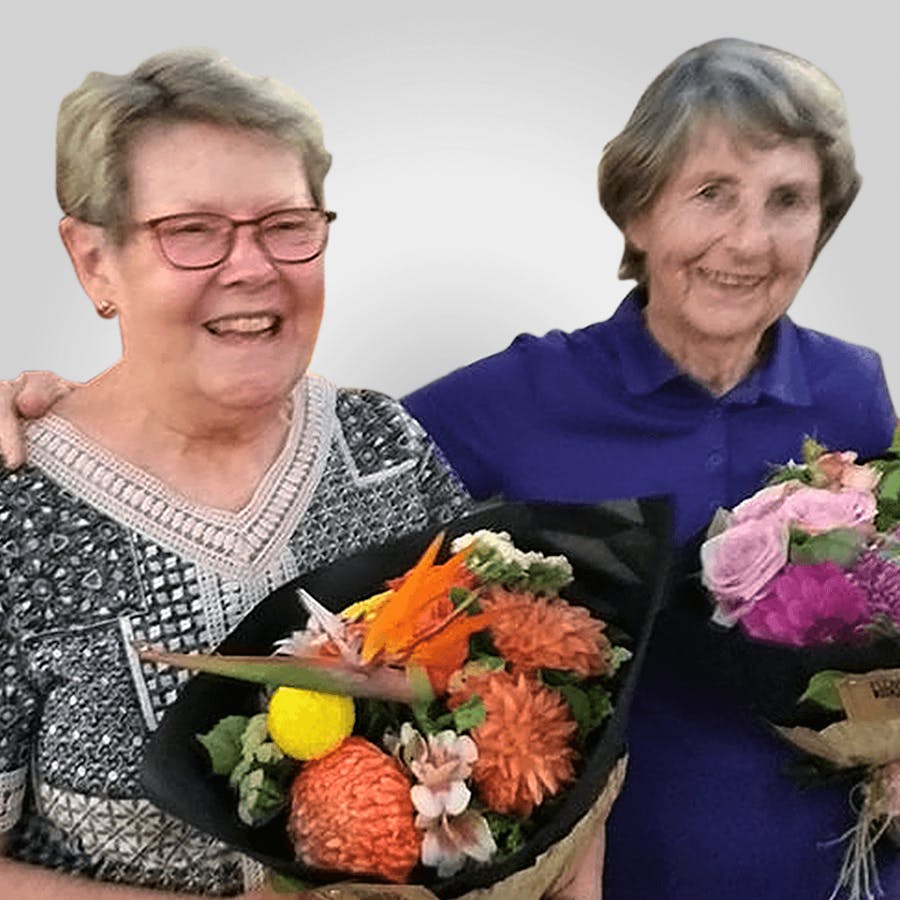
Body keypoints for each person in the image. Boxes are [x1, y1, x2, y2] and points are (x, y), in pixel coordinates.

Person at [6, 36, 899, 898]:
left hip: (835, 863)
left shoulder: (852, 390)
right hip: (650, 869)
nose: (747, 241)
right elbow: (223, 396)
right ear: (639, 210)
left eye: (789, 200)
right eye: (711, 193)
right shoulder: (491, 406)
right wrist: (62, 410)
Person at [0, 49, 473, 898]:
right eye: (192, 231)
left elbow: (508, 709)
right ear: (93, 261)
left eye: (287, 225)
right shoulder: (18, 512)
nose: (252, 267)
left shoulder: (387, 448)